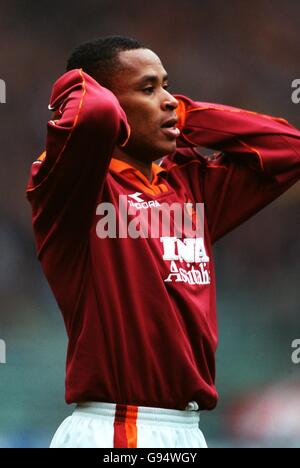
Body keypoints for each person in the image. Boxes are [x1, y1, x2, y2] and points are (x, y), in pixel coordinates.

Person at [26, 36, 300, 448]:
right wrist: (80, 86)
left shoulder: (190, 185)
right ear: (114, 105)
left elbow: (288, 149)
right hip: (118, 427)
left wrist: (185, 116)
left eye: (167, 86)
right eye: (148, 88)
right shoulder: (76, 188)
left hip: (186, 431)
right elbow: (93, 113)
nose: (169, 99)